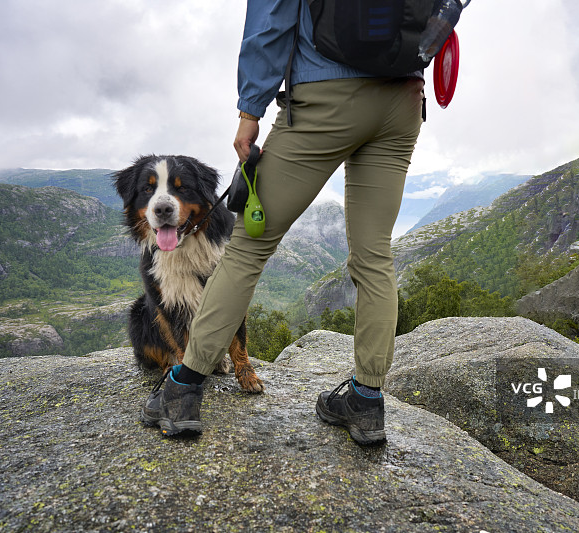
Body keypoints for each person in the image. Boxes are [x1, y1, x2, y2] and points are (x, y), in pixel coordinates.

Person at [141, 0, 424, 445]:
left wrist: (249, 112)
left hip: (326, 95)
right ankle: (367, 401)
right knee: (375, 256)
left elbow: (271, 19)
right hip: (402, 99)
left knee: (248, 249)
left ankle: (183, 389)